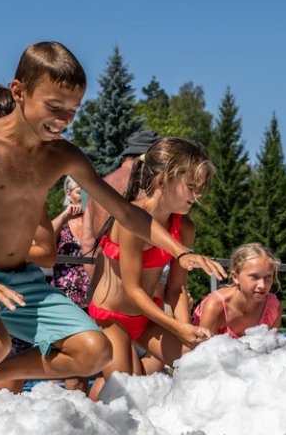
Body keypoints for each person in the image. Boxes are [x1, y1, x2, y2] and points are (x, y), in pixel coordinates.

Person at [0, 41, 223, 410]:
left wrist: (180, 250)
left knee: (93, 352)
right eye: (54, 107)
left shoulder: (62, 155)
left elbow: (126, 212)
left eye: (73, 110)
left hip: (19, 277)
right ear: (19, 92)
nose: (64, 120)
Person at [88, 137, 215, 399]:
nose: (197, 196)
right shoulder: (131, 220)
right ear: (162, 181)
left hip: (147, 317)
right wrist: (178, 329)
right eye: (191, 187)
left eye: (200, 188)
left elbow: (177, 289)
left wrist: (186, 330)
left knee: (198, 368)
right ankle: (91, 409)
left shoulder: (185, 227)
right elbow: (133, 290)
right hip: (112, 318)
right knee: (125, 396)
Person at [80, 130, 162, 278]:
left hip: (103, 280)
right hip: (140, 280)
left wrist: (95, 281)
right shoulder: (146, 186)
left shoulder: (100, 185)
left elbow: (87, 243)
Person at [193, 243, 282, 338]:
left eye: (268, 277)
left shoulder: (272, 307)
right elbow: (203, 350)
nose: (262, 285)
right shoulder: (216, 305)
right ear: (235, 277)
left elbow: (270, 348)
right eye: (254, 277)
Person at [51, 176, 88, 308]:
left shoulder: (97, 222)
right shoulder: (62, 223)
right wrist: (64, 216)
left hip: (96, 295)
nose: (85, 196)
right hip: (66, 297)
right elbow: (44, 240)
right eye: (80, 191)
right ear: (68, 193)